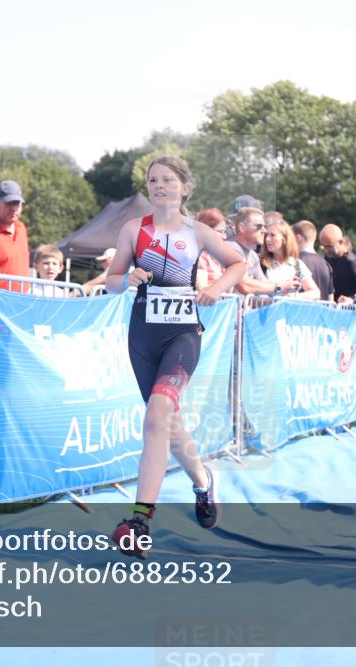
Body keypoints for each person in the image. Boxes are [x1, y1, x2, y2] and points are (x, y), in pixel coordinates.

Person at [105, 156, 245, 558]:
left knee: (156, 415)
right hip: (142, 336)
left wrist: (216, 287)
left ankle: (139, 521)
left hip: (182, 336)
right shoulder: (134, 230)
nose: (159, 185)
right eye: (153, 180)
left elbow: (237, 263)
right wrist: (125, 278)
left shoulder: (197, 231)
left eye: (168, 179)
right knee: (169, 424)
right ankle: (203, 481)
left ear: (185, 188)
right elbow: (112, 281)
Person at [226, 207, 301, 296]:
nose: (264, 231)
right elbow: (244, 286)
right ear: (242, 228)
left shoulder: (253, 256)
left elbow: (265, 284)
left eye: (264, 227)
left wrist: (287, 287)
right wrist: (280, 287)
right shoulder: (230, 249)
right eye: (259, 226)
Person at [261, 220, 320, 300]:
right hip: (268, 307)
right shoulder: (261, 264)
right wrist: (281, 288)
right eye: (266, 235)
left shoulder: (296, 264)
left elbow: (315, 292)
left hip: (290, 307)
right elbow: (256, 292)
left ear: (285, 239)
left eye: (272, 235)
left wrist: (295, 296)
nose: (267, 239)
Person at [318, 224, 356, 305]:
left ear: (341, 242)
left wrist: (352, 299)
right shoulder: (328, 257)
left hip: (346, 309)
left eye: (329, 247)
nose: (326, 250)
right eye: (323, 247)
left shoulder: (351, 262)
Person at [291, 220, 333, 301]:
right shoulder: (326, 264)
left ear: (298, 238)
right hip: (323, 309)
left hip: (302, 308)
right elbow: (331, 299)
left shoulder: (296, 263)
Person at [194, 208, 227, 289]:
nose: (224, 236)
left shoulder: (216, 256)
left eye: (225, 232)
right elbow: (201, 288)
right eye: (220, 231)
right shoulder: (198, 257)